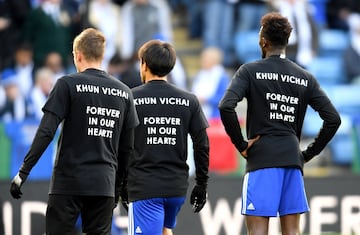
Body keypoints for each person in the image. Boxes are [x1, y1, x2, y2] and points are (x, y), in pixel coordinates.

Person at [218, 12, 341, 235]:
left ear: (263, 41)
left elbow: (226, 106)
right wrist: (307, 154)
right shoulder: (305, 77)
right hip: (293, 161)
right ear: (286, 42)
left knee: (258, 232)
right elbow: (333, 119)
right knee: (292, 232)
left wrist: (241, 144)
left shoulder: (249, 71)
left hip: (262, 159)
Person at [9, 28, 139, 234]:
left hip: (68, 183)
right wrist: (119, 188)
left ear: (77, 55)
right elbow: (127, 148)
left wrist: (23, 172)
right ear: (101, 55)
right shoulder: (124, 92)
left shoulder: (67, 84)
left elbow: (46, 132)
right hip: (103, 184)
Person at [124, 39, 210, 235]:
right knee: (165, 229)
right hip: (176, 187)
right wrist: (202, 184)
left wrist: (121, 184)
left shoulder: (131, 98)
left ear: (144, 64)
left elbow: (122, 146)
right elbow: (202, 144)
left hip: (145, 187)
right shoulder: (189, 100)